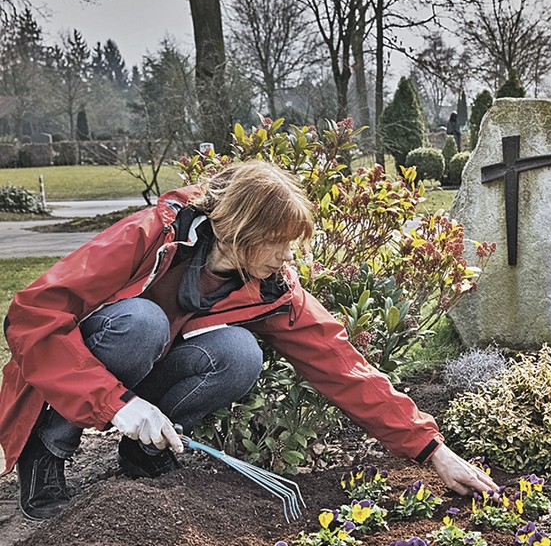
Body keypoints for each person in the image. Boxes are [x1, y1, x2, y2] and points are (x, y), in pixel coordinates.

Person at [1, 159, 497, 521]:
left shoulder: (271, 286)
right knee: (142, 323)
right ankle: (47, 450)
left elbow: (342, 366)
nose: (287, 257)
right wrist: (114, 403)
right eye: (278, 242)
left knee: (239, 356)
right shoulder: (152, 235)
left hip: (147, 373)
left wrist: (431, 450)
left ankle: (146, 453)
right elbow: (31, 315)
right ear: (239, 230)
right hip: (87, 361)